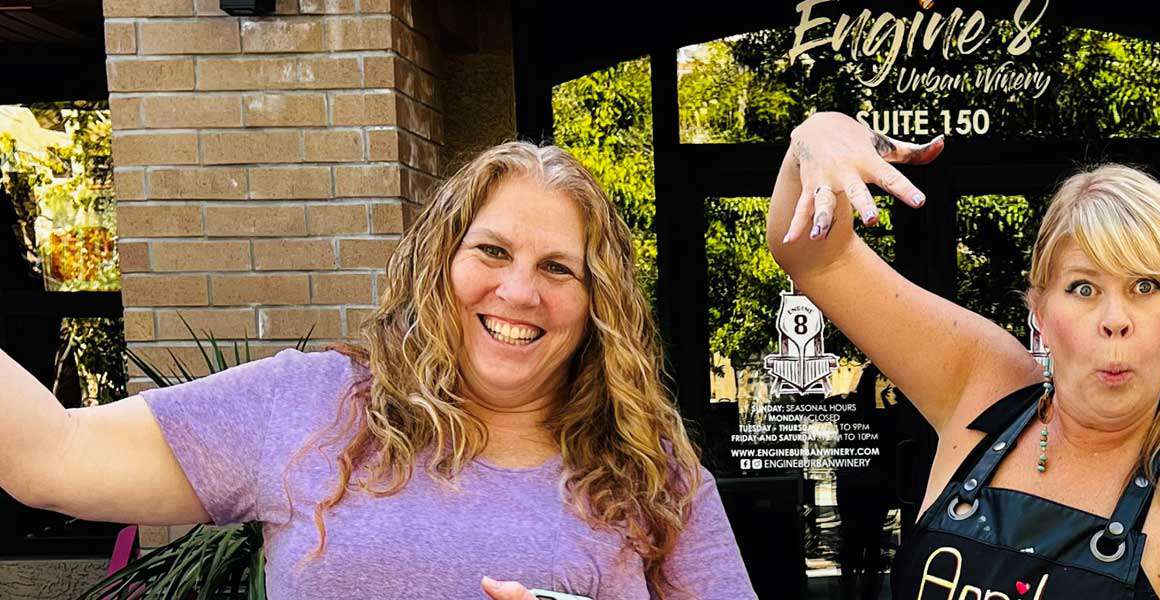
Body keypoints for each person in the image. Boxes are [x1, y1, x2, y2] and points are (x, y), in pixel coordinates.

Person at [0, 142, 755, 599]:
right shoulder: (308, 404)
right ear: (439, 263)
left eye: (558, 268)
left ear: (597, 306)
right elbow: (49, 456)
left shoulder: (652, 478)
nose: (519, 291)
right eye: (491, 252)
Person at [767, 112, 1160, 599]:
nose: (1115, 319)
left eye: (1146, 286)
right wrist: (821, 132)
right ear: (1039, 308)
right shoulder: (984, 384)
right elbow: (813, 254)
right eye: (1083, 288)